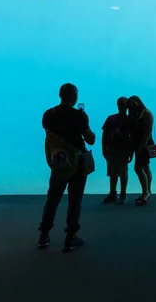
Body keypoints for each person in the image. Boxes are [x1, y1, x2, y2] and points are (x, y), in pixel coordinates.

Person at [38, 83, 96, 252]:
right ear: (75, 97)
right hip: (77, 163)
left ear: (60, 95)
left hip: (58, 162)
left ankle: (43, 235)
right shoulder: (80, 116)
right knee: (74, 200)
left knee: (53, 199)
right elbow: (90, 139)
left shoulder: (48, 114)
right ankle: (70, 237)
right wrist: (85, 121)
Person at [102, 97, 133, 204]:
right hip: (112, 150)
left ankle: (122, 193)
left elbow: (132, 137)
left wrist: (131, 151)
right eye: (120, 103)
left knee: (122, 173)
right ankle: (114, 193)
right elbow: (104, 135)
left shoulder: (128, 120)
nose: (121, 106)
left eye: (123, 104)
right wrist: (104, 149)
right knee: (113, 173)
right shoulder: (111, 118)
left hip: (123, 150)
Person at [128, 95, 154, 206]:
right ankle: (148, 191)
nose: (133, 105)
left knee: (138, 168)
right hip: (137, 144)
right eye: (131, 104)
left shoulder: (146, 113)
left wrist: (141, 146)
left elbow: (148, 132)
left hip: (144, 145)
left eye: (134, 102)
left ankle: (145, 193)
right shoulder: (134, 115)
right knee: (146, 167)